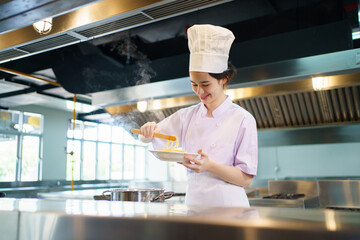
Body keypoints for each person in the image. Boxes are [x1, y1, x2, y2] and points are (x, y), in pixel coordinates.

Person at [139, 24, 258, 207]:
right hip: (195, 204)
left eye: (205, 84)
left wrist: (209, 166)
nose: (199, 91)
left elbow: (245, 179)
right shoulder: (186, 116)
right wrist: (148, 131)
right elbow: (155, 137)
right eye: (194, 84)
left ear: (223, 78)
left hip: (231, 209)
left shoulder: (243, 119)